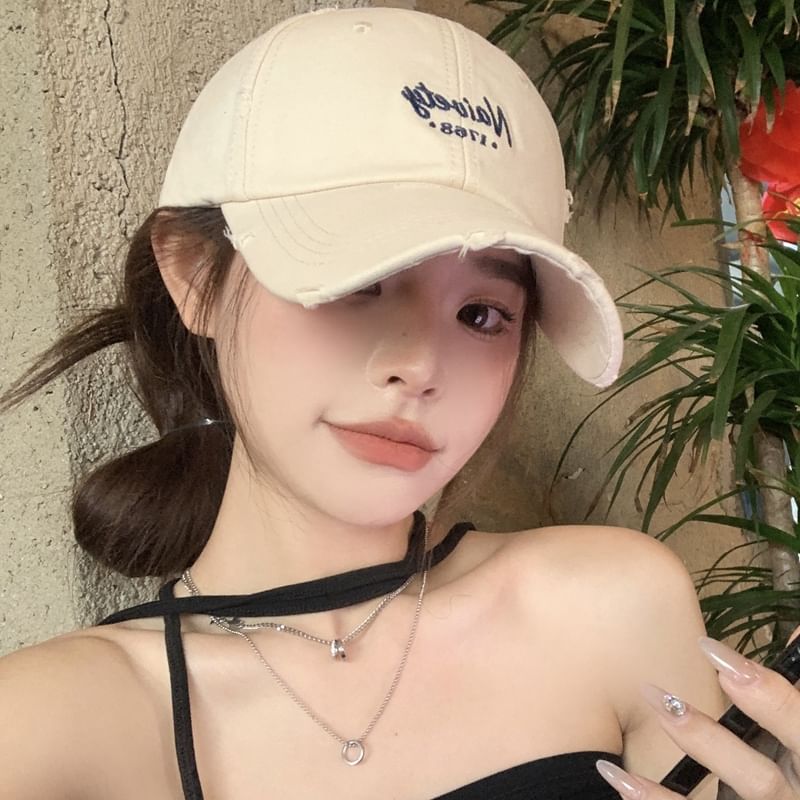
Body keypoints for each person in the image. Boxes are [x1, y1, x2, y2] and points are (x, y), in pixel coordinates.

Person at [1, 6, 798, 800]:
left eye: (481, 315)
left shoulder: (611, 608)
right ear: (193, 277)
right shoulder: (49, 725)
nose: (419, 366)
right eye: (356, 283)